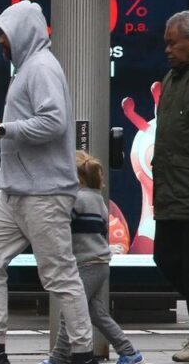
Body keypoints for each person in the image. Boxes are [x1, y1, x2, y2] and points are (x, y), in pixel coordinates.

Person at [0, 0, 96, 364]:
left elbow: (54, 122)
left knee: (59, 275)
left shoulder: (41, 67)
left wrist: (4, 129)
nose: (0, 42)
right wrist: (3, 128)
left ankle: (83, 354)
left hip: (43, 193)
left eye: (4, 35)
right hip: (15, 193)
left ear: (22, 33)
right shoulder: (28, 69)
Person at [42, 151, 143, 364]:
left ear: (76, 177)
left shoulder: (76, 200)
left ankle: (58, 358)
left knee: (68, 311)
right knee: (98, 314)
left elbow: (59, 223)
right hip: (99, 264)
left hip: (85, 264)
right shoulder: (98, 199)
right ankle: (129, 352)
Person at [152, 10, 189, 362]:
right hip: (172, 193)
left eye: (173, 42)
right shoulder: (171, 79)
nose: (167, 49)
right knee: (165, 257)